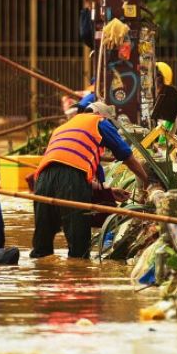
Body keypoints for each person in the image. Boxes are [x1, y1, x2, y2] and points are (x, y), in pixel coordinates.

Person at [30, 102, 153, 259]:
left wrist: (108, 191)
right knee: (79, 246)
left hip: (42, 179)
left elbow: (67, 167)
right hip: (70, 179)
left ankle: (40, 274)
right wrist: (147, 181)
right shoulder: (99, 121)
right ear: (102, 115)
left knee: (42, 245)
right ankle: (79, 275)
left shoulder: (64, 127)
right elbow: (126, 155)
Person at [150, 61, 177, 139]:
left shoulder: (170, 97)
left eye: (157, 76)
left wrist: (160, 144)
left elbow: (164, 130)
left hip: (167, 143)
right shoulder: (163, 96)